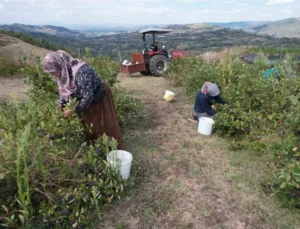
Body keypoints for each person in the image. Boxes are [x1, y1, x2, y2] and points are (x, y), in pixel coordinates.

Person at [42, 50, 123, 149]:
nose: (53, 74)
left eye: (53, 71)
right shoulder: (64, 73)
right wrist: (61, 102)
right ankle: (96, 146)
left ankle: (111, 148)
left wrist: (73, 110)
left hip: (99, 96)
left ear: (60, 65)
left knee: (104, 123)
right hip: (84, 100)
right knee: (90, 124)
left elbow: (88, 96)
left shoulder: (81, 71)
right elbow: (64, 89)